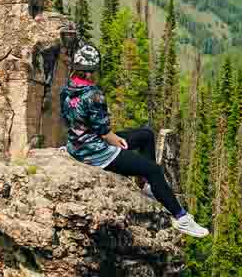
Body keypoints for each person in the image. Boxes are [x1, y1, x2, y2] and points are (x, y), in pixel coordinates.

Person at [60, 43, 210, 238]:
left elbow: (69, 120)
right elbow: (105, 132)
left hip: (77, 145)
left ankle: (150, 188)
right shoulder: (93, 95)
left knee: (145, 135)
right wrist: (116, 141)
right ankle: (181, 218)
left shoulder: (67, 89)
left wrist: (110, 138)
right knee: (153, 169)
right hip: (96, 153)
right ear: (91, 72)